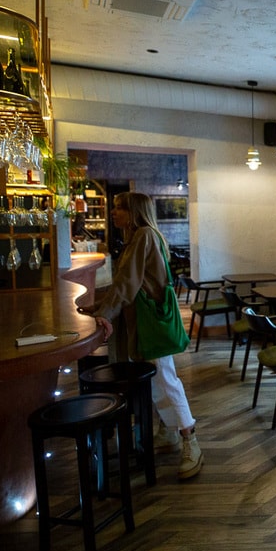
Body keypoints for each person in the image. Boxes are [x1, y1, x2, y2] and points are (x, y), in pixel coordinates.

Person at [80, 192, 203, 479]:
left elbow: (128, 282)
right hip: (146, 323)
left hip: (150, 324)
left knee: (166, 380)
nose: (113, 212)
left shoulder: (144, 236)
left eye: (119, 208)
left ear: (134, 211)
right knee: (157, 381)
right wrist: (99, 306)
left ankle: (191, 439)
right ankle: (169, 431)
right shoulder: (139, 237)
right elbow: (127, 283)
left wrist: (105, 311)